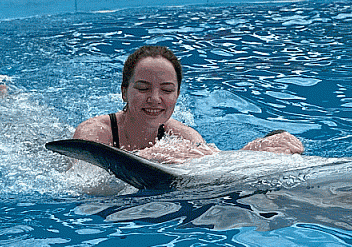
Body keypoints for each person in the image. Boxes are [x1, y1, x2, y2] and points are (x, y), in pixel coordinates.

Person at [73, 45, 304, 163]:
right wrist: (150, 156)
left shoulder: (182, 135)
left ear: (177, 95)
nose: (155, 98)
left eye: (167, 90)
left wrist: (256, 151)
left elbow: (213, 164)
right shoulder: (94, 134)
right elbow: (86, 187)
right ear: (124, 92)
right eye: (143, 88)